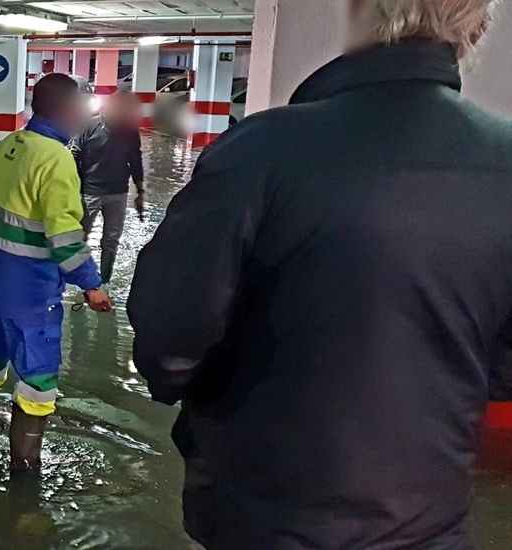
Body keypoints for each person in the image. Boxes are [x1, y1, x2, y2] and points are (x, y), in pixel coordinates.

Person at [126, 0, 512, 548]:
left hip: (264, 509)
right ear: (478, 27)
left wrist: (198, 394)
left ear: (359, 12)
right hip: (429, 514)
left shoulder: (263, 148)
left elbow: (170, 323)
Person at [0, 73, 113, 471]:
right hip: (32, 296)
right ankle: (24, 482)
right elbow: (64, 237)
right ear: (67, 109)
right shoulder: (56, 158)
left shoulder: (7, 144)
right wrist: (92, 285)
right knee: (39, 381)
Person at [69, 90, 146, 284]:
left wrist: (140, 192)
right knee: (81, 236)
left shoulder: (130, 131)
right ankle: (80, 279)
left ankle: (104, 282)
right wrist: (76, 189)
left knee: (111, 240)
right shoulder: (90, 125)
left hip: (118, 193)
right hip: (89, 192)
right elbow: (73, 155)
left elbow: (135, 160)